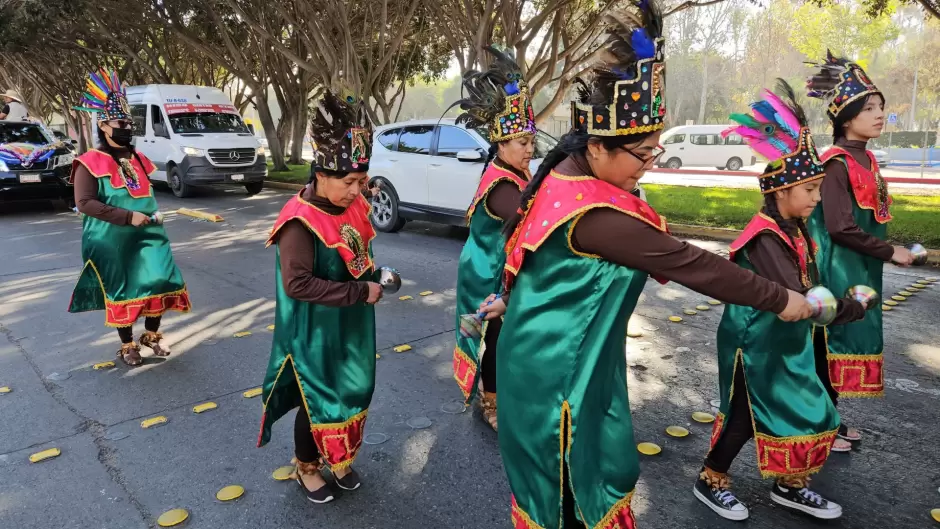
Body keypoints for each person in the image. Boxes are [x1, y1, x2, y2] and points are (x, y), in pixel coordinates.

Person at [477, 4, 813, 527]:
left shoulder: (567, 179)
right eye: (643, 154)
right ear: (597, 147)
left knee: (587, 479)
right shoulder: (593, 212)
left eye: (655, 152)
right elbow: (689, 264)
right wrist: (783, 299)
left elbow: (531, 258)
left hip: (566, 355)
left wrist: (513, 298)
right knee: (575, 492)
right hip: (560, 375)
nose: (649, 165)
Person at [693, 81, 867, 522]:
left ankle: (790, 484)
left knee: (807, 408)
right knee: (744, 416)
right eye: (809, 190)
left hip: (787, 342)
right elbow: (805, 296)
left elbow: (813, 283)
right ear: (781, 191)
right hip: (754, 344)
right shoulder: (764, 236)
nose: (815, 198)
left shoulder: (796, 229)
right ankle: (711, 478)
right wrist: (853, 307)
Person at [257, 87, 384, 505]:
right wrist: (360, 290)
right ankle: (307, 466)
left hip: (350, 320)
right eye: (349, 181)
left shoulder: (353, 204)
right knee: (318, 398)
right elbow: (298, 285)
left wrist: (375, 277)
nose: (356, 190)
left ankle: (339, 459)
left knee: (352, 389)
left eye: (361, 181)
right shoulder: (299, 221)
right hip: (313, 329)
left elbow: (359, 254)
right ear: (322, 174)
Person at [805, 51, 914, 448]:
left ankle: (828, 418)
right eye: (870, 108)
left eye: (881, 107)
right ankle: (821, 424)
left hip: (857, 266)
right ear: (846, 116)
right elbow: (840, 227)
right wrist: (889, 252)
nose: (880, 114)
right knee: (826, 344)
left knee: (833, 344)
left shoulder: (865, 158)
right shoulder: (835, 162)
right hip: (834, 267)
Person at [68, 69, 190, 366]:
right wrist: (126, 216)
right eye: (120, 123)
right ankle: (127, 344)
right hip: (110, 238)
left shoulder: (138, 158)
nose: (126, 127)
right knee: (123, 289)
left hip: (150, 232)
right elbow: (84, 203)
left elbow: (146, 192)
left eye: (128, 123)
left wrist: (152, 214)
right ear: (103, 125)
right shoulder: (89, 162)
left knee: (161, 280)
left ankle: (152, 334)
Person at [450, 45, 537, 431]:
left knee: (502, 333)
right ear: (501, 143)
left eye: (532, 142)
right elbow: (530, 220)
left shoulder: (517, 174)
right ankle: (489, 401)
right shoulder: (502, 184)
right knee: (489, 334)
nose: (530, 150)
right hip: (483, 272)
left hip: (496, 267)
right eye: (523, 143)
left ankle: (491, 389)